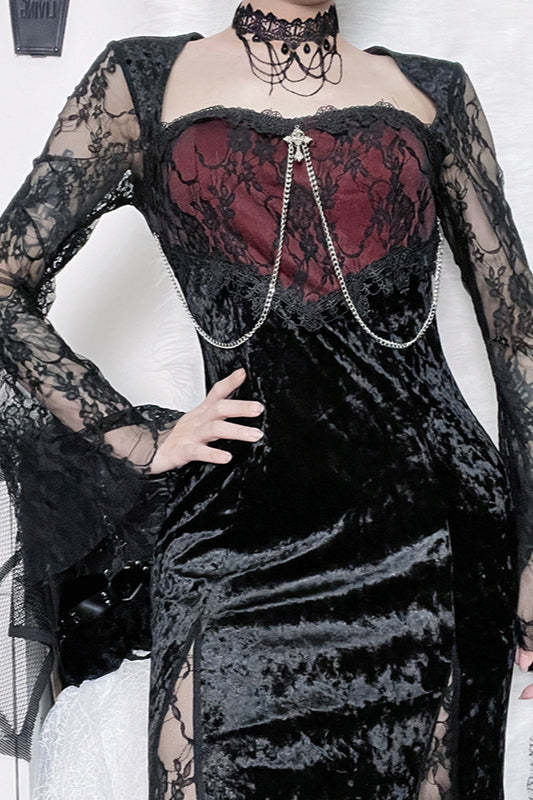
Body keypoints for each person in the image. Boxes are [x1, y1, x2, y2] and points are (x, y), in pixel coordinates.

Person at [0, 1, 532, 797]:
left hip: (433, 527)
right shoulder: (141, 80)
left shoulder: (432, 90)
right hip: (236, 526)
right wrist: (136, 436)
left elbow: (517, 333)